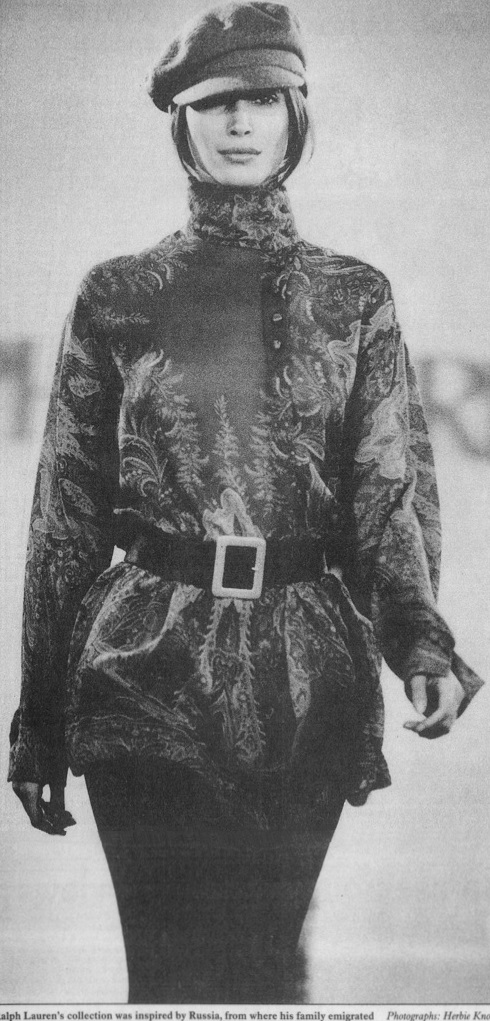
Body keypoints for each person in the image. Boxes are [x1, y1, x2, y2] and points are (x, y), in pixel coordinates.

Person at [8, 0, 484, 1006]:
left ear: (294, 115)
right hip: (143, 665)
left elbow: (387, 489)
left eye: (262, 99)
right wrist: (39, 718)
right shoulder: (117, 294)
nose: (238, 121)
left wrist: (420, 644)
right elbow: (65, 516)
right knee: (169, 982)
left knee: (259, 974)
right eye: (214, 101)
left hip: (306, 675)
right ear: (179, 119)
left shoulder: (356, 297)